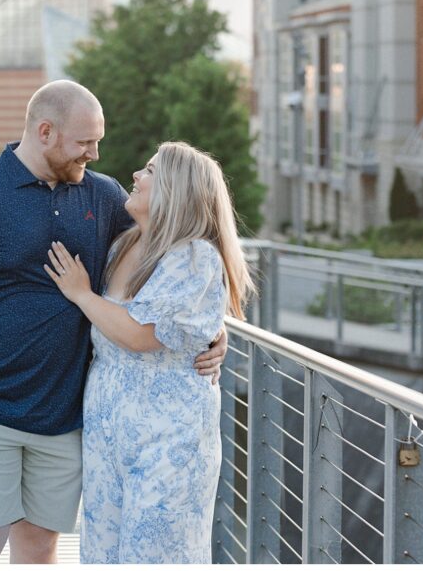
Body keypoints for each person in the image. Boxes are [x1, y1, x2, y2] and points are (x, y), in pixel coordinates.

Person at [0, 80, 227, 564]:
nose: (95, 153)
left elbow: (165, 271)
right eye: (84, 142)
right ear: (45, 131)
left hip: (67, 417)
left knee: (39, 549)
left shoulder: (106, 197)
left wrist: (214, 333)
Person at [44, 141, 254, 563]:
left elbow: (142, 333)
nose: (136, 177)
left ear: (177, 190)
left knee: (155, 555)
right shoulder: (124, 246)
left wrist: (81, 294)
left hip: (168, 440)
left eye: (150, 171)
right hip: (109, 435)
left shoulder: (194, 256)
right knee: (104, 554)